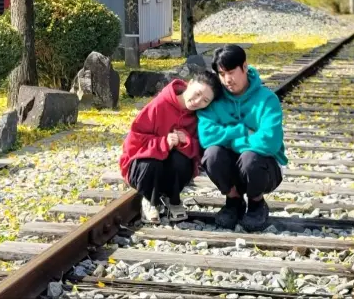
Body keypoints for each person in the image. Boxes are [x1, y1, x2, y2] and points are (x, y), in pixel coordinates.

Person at [197, 44, 286, 232]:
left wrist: (229, 141)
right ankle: (234, 201)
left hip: (264, 169)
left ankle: (256, 204)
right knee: (212, 154)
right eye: (222, 74)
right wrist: (243, 133)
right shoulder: (215, 99)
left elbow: (269, 141)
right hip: (233, 168)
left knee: (249, 158)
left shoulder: (267, 100)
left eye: (231, 72)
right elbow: (206, 137)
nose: (227, 80)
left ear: (244, 67)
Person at [120, 71, 222, 224]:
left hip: (171, 173)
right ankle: (149, 199)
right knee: (152, 160)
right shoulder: (159, 104)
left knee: (182, 160)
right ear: (191, 83)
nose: (197, 101)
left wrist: (186, 141)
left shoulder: (199, 115)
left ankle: (172, 199)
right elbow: (133, 143)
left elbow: (200, 151)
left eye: (205, 100)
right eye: (197, 93)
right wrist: (163, 143)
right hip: (142, 168)